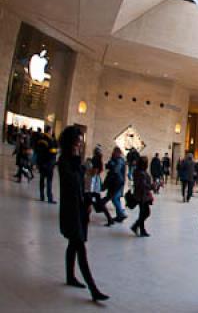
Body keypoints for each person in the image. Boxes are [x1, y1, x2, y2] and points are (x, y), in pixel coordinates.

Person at [57, 125, 109, 302]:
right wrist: (79, 168)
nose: (79, 145)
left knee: (73, 244)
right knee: (80, 247)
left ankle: (70, 276)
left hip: (78, 209)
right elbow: (71, 183)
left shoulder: (74, 161)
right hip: (70, 210)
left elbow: (82, 184)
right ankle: (93, 289)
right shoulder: (64, 161)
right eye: (77, 142)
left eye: (80, 142)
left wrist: (87, 202)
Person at [131, 157, 153, 237]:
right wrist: (152, 186)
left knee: (143, 213)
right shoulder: (141, 173)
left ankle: (140, 228)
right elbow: (143, 185)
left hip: (140, 195)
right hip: (142, 196)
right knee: (145, 212)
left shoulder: (138, 171)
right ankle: (137, 227)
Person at [103, 147, 127, 221]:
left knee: (114, 198)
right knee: (116, 198)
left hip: (116, 182)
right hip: (118, 181)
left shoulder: (119, 160)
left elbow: (115, 170)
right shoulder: (120, 160)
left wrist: (110, 165)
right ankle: (119, 215)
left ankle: (121, 213)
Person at [35, 126, 57, 203]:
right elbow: (53, 152)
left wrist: (38, 163)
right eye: (51, 130)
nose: (52, 132)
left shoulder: (40, 139)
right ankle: (49, 198)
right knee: (49, 181)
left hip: (41, 163)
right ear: (49, 131)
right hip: (49, 164)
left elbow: (37, 151)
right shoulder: (50, 140)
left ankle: (42, 196)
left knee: (41, 180)